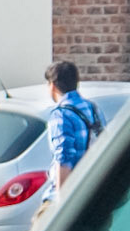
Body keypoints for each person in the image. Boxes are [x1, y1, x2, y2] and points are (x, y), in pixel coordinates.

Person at [43, 60, 103, 202]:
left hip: (72, 195)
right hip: (94, 191)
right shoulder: (93, 108)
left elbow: (64, 157)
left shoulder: (60, 114)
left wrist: (61, 203)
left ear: (52, 85)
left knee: (40, 222)